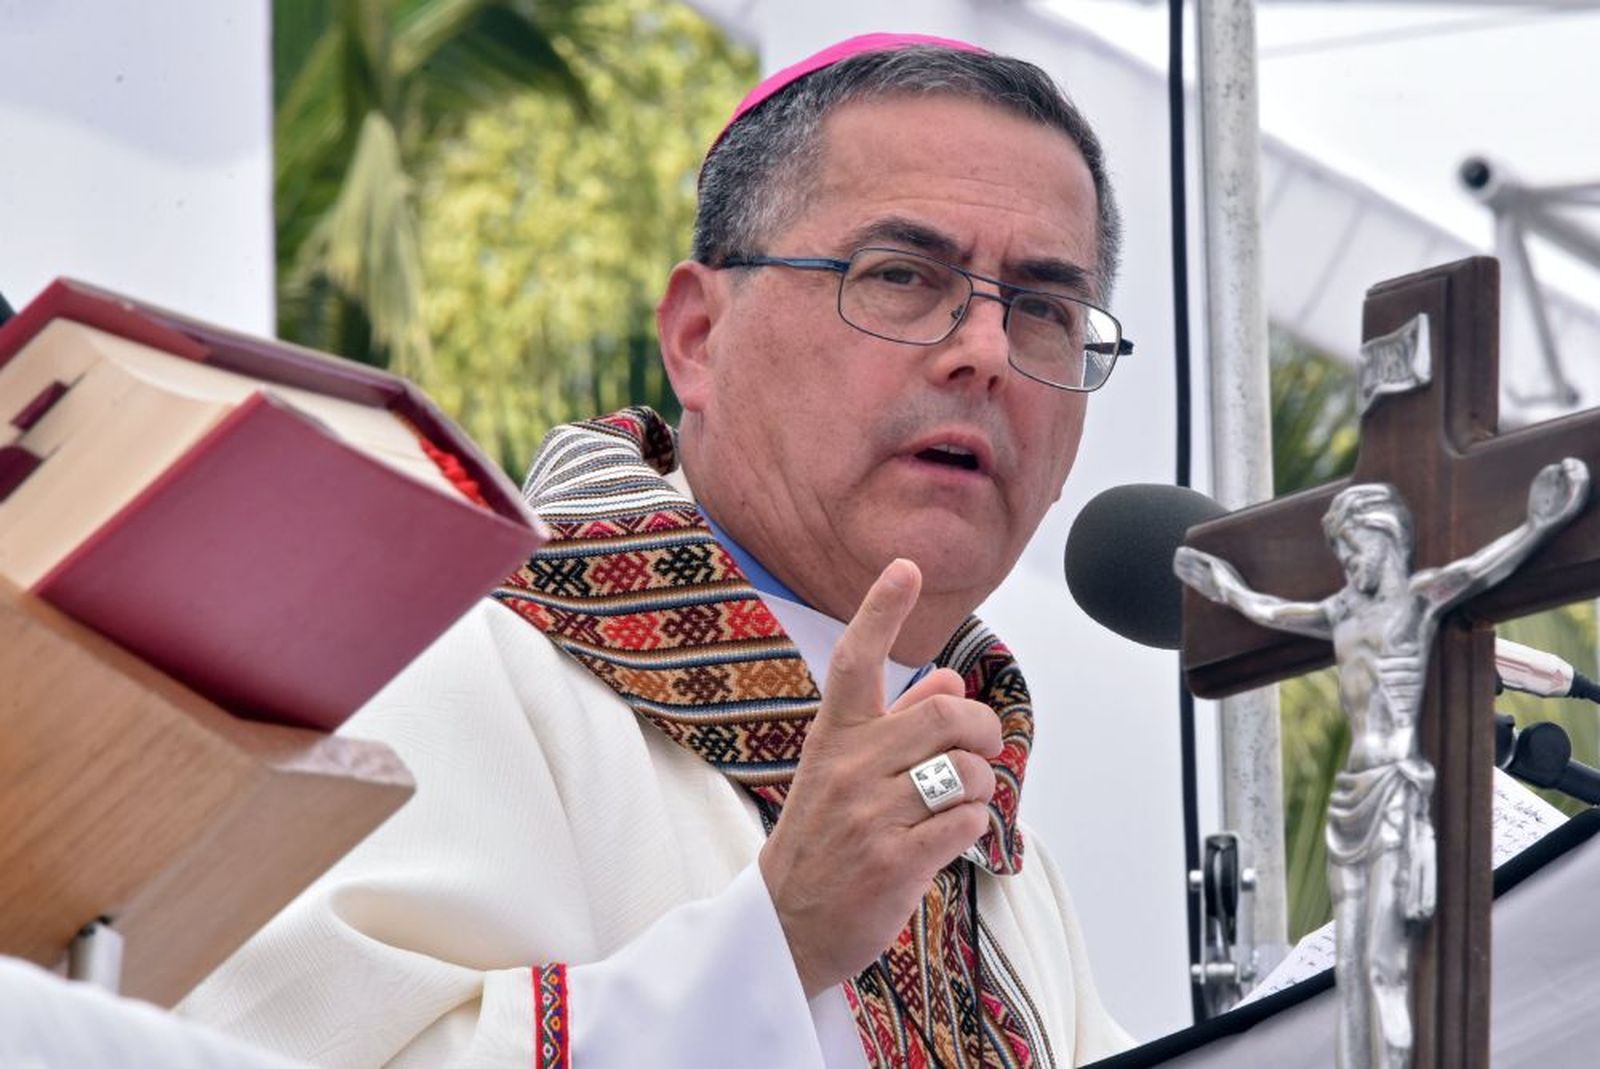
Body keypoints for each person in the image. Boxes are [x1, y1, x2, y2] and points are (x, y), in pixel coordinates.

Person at [182, 33, 1137, 1067]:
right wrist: (775, 939)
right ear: (696, 336)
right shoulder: (439, 665)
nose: (985, 352)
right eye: (900, 274)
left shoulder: (999, 855)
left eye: (1043, 308)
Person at [1174, 458, 1588, 1068]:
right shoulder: (1344, 613)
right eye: (1347, 549)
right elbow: (1270, 615)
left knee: (1418, 956)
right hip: (1358, 801)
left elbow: (1488, 564)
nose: (1357, 561)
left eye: (1364, 545)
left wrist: (1544, 519)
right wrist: (1221, 587)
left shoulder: (1424, 600)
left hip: (1414, 797)